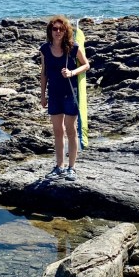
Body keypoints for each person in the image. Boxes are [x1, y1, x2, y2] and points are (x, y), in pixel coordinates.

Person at [39, 15, 89, 181]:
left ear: (66, 30)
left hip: (70, 94)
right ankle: (59, 166)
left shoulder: (73, 48)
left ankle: (71, 168)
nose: (58, 32)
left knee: (71, 129)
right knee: (58, 131)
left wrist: (72, 72)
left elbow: (86, 64)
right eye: (55, 29)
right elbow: (44, 73)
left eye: (61, 29)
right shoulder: (45, 49)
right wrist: (42, 95)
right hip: (54, 95)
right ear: (50, 31)